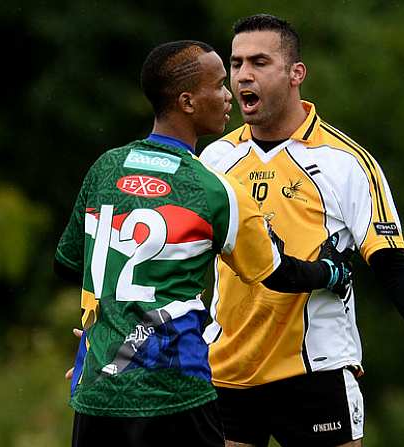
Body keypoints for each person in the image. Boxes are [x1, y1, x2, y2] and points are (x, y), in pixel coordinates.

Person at [198, 14, 404, 447]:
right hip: (225, 369)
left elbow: (393, 264)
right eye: (237, 63)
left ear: (295, 74)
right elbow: (177, 257)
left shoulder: (346, 161)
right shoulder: (212, 161)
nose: (244, 75)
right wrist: (114, 331)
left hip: (315, 371)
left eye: (260, 62)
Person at [54, 40, 353, 447]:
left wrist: (112, 325)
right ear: (187, 102)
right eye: (218, 85)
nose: (229, 94)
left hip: (98, 393)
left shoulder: (105, 168)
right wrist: (331, 270)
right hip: (177, 393)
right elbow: (277, 274)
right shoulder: (214, 189)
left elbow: (69, 264)